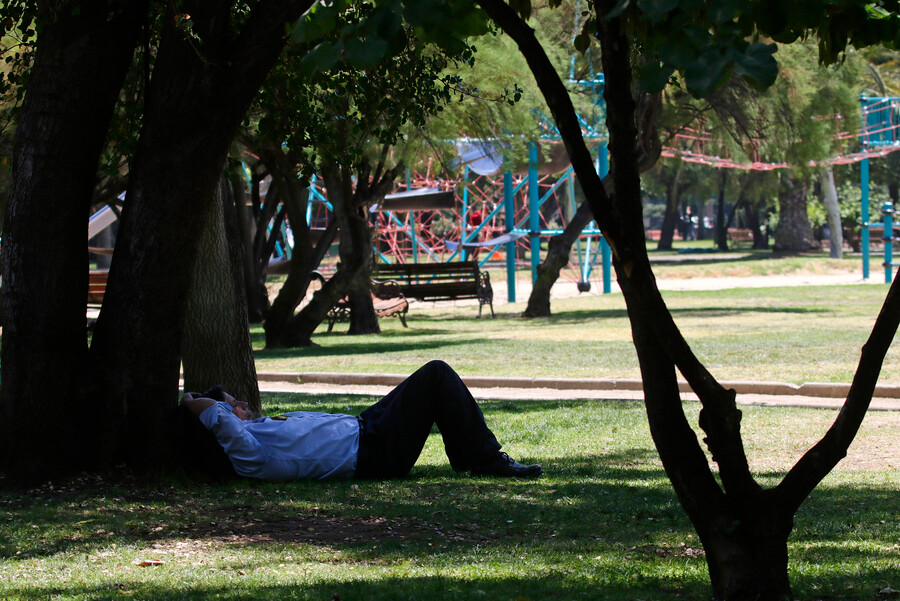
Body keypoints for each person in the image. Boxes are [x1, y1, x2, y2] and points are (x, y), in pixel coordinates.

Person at [181, 360, 543, 481]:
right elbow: (204, 412)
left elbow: (215, 413)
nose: (243, 404)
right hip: (374, 452)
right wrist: (196, 400)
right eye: (234, 404)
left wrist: (217, 403)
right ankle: (485, 460)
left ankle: (471, 456)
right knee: (437, 374)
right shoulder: (248, 455)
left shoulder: (254, 432)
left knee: (429, 378)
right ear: (224, 419)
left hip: (366, 425)